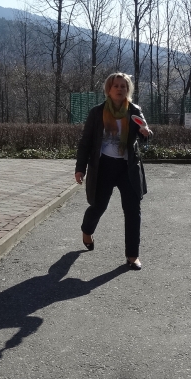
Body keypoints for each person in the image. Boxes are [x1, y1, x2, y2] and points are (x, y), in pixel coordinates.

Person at [74, 73, 151, 270]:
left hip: (128, 168)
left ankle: (132, 256)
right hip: (104, 166)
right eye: (115, 86)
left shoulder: (134, 111)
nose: (119, 89)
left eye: (123, 86)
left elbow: (144, 131)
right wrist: (80, 168)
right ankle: (87, 230)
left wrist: (145, 133)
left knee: (133, 211)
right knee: (98, 206)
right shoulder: (97, 112)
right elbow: (85, 142)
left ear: (128, 90)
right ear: (108, 89)